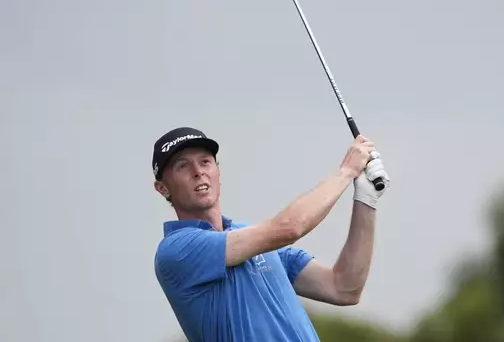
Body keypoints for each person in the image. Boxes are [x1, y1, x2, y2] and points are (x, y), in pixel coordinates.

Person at [151, 126, 390, 342]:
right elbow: (289, 228)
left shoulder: (256, 241)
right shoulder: (176, 250)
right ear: (162, 188)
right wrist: (346, 172)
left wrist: (365, 200)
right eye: (183, 166)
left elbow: (344, 287)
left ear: (218, 172)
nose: (198, 172)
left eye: (205, 162)